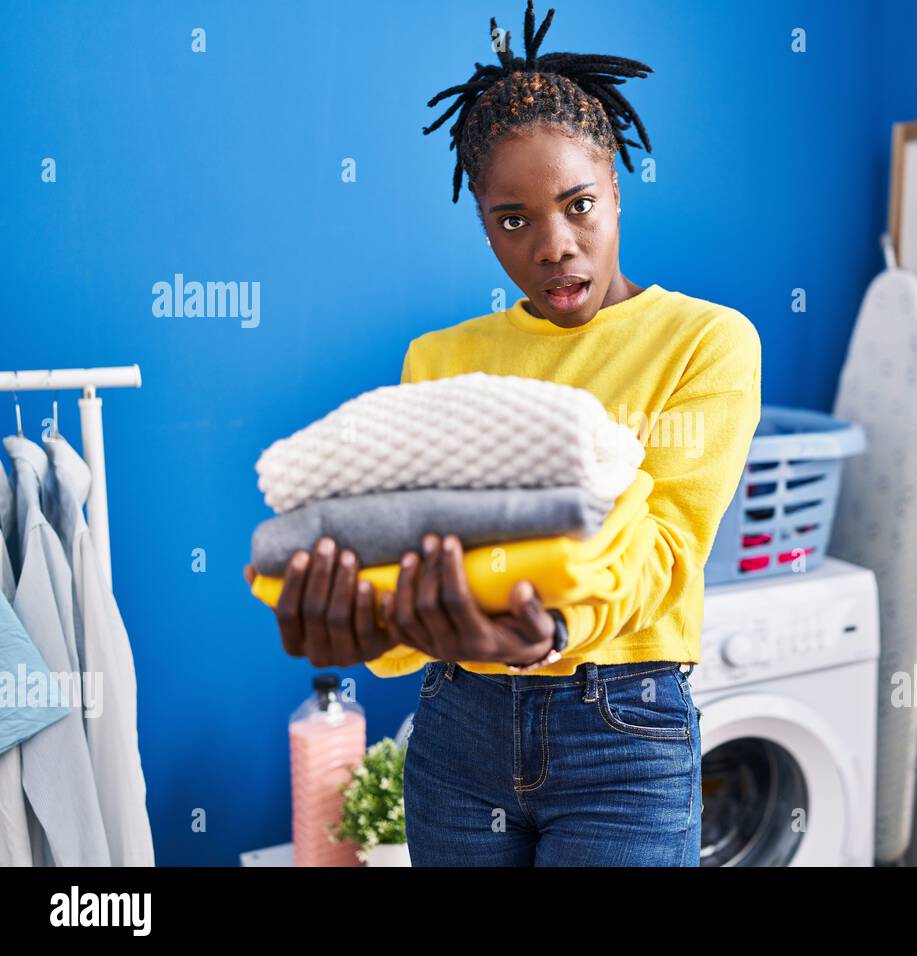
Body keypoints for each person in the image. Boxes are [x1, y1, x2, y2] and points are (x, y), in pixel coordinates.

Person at [246, 0, 761, 866]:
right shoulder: (443, 359)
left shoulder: (704, 341)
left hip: (621, 735)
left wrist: (553, 628)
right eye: (513, 219)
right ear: (482, 220)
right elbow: (418, 564)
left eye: (579, 205)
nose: (554, 245)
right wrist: (377, 629)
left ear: (616, 187)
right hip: (458, 735)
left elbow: (666, 550)